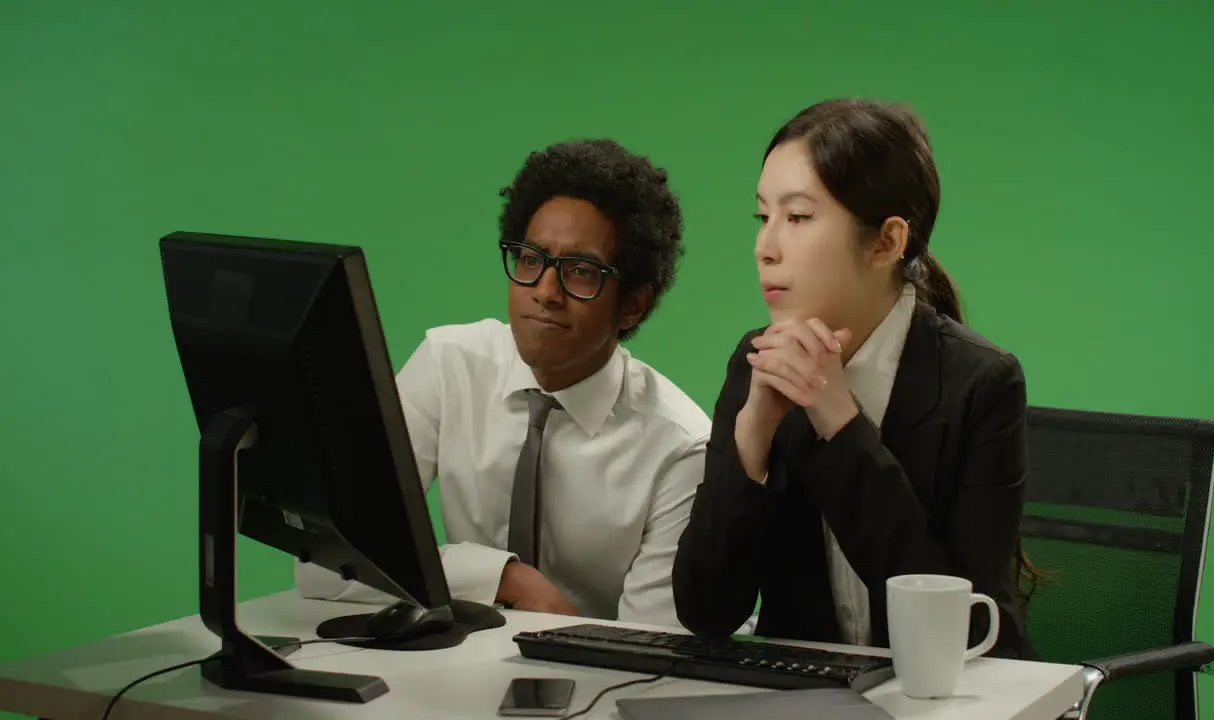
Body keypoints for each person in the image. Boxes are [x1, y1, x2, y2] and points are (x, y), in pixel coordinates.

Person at [671, 99, 1038, 659]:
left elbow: (965, 635)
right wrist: (752, 438)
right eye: (762, 216)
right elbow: (706, 611)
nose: (764, 248)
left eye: (797, 218)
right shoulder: (757, 361)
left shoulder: (982, 384)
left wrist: (839, 424)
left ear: (887, 242)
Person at [297, 138, 710, 629]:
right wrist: (501, 577)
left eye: (581, 272)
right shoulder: (449, 366)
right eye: (531, 259)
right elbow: (326, 562)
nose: (545, 292)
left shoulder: (680, 448)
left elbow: (656, 645)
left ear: (634, 305)